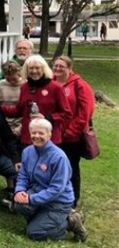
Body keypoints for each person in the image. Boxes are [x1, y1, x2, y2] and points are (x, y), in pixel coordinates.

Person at [9, 119, 87, 242]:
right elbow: (23, 175)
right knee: (18, 204)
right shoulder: (27, 152)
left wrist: (30, 199)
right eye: (33, 133)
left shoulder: (58, 157)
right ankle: (43, 220)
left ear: (49, 135)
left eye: (41, 133)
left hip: (58, 201)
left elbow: (57, 189)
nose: (36, 136)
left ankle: (71, 223)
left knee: (34, 232)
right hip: (37, 193)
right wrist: (19, 191)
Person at [0, 55, 72, 147]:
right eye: (31, 68)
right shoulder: (24, 88)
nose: (34, 71)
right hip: (28, 138)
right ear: (26, 70)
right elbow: (18, 111)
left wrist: (46, 117)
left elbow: (66, 114)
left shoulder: (55, 88)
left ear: (44, 69)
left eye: (37, 68)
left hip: (49, 139)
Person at [52, 55, 95, 208]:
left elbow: (86, 112)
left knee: (71, 168)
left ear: (69, 68)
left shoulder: (79, 85)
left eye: (61, 66)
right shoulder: (51, 82)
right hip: (53, 134)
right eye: (55, 65)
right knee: (55, 167)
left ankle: (72, 200)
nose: (57, 69)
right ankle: (56, 196)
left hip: (72, 137)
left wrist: (71, 131)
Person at [0, 61, 25, 138]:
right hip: (4, 122)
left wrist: (20, 128)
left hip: (21, 123)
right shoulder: (1, 84)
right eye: (8, 79)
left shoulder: (25, 85)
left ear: (19, 73)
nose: (11, 82)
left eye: (14, 79)